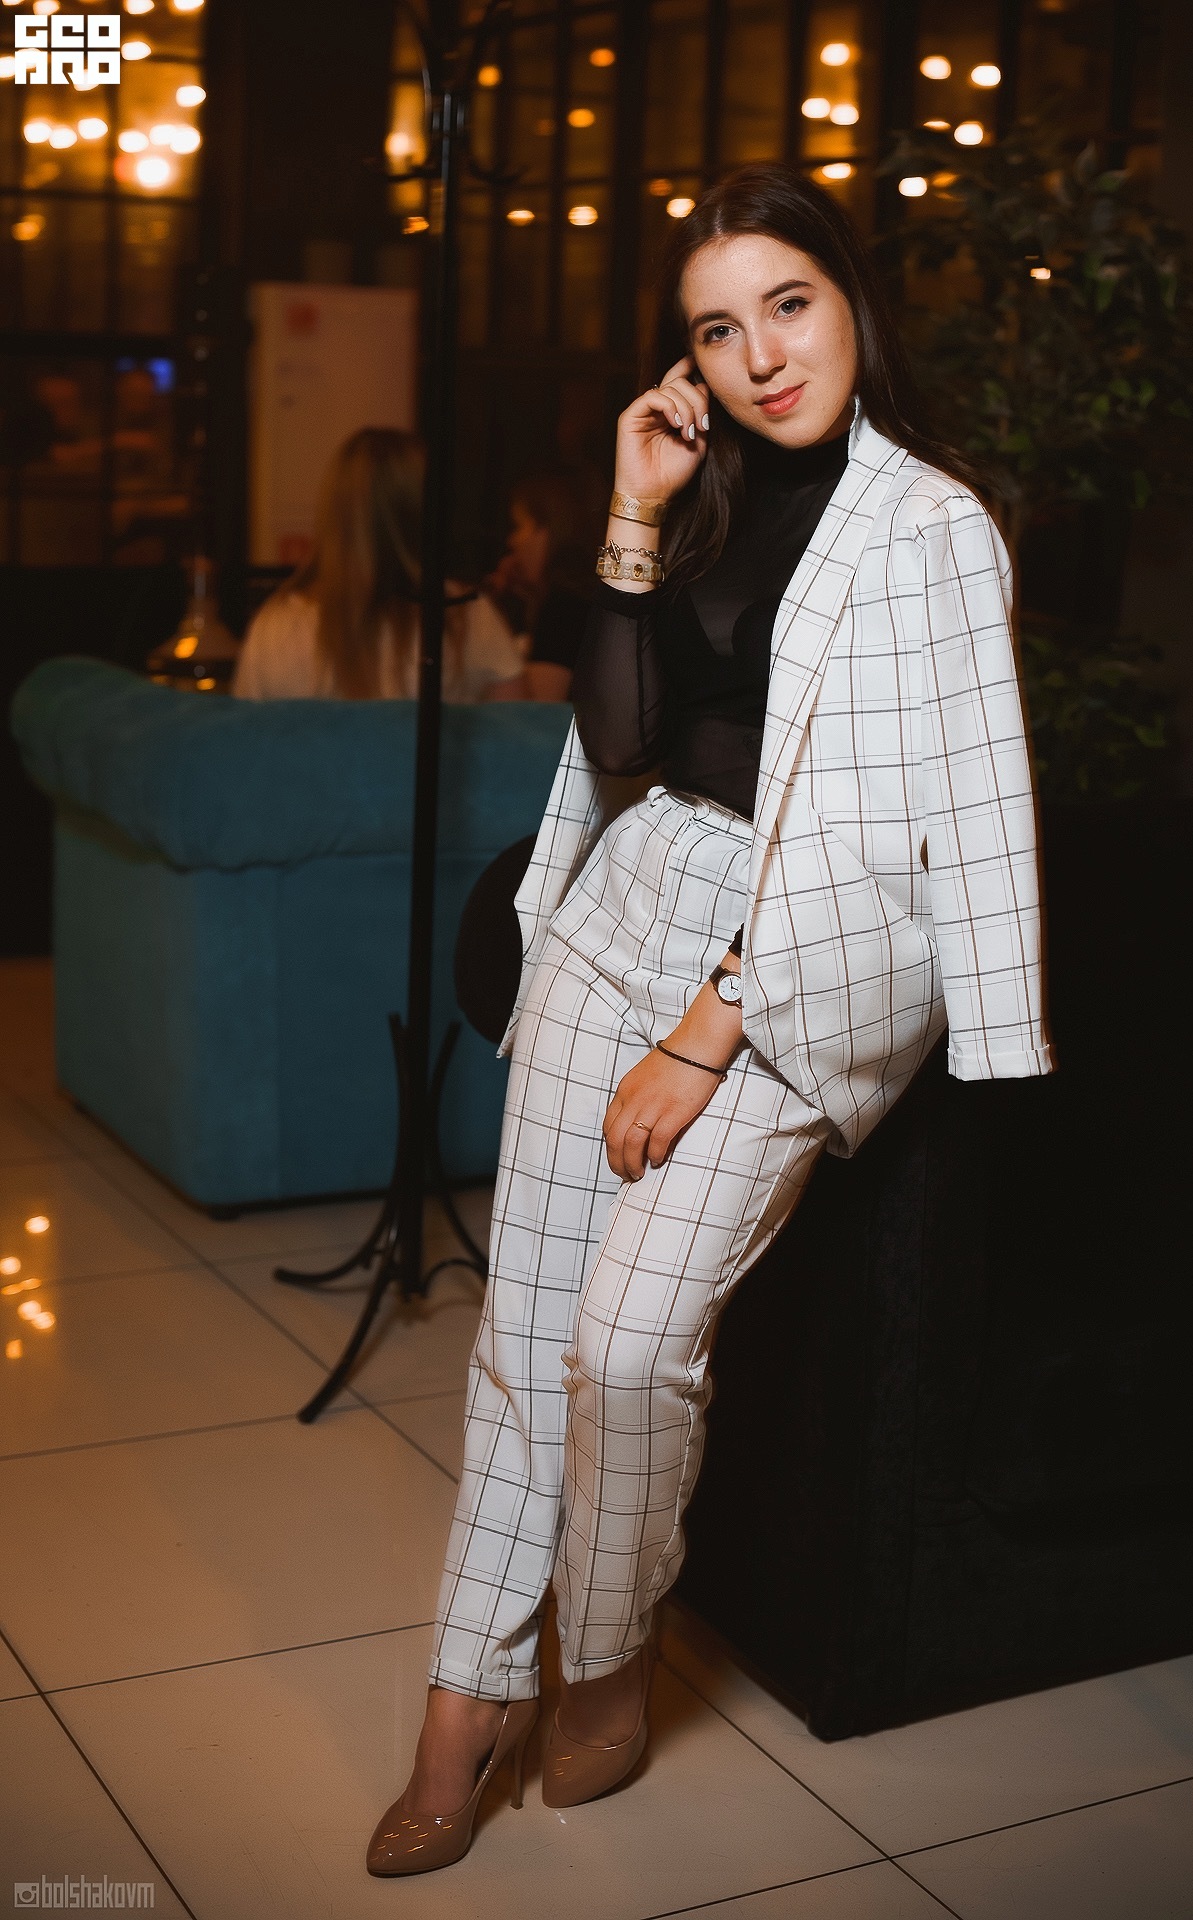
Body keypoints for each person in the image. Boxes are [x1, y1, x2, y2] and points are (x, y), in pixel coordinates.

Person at [367, 163, 1054, 1877]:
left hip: (804, 951)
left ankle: (604, 1654)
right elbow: (617, 744)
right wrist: (630, 504)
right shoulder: (704, 491)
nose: (761, 356)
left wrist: (713, 1022)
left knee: (624, 1341)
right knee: (527, 1336)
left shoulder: (930, 526)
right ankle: (463, 1701)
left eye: (789, 305)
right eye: (718, 329)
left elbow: (933, 825)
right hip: (626, 901)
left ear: (849, 299)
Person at [233, 427, 523, 703]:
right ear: (423, 511)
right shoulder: (465, 616)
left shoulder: (275, 626)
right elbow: (518, 729)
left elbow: (245, 732)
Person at [485, 464, 605, 702]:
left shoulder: (564, 607)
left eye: (518, 527)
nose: (512, 541)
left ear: (547, 532)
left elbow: (539, 708)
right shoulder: (574, 598)